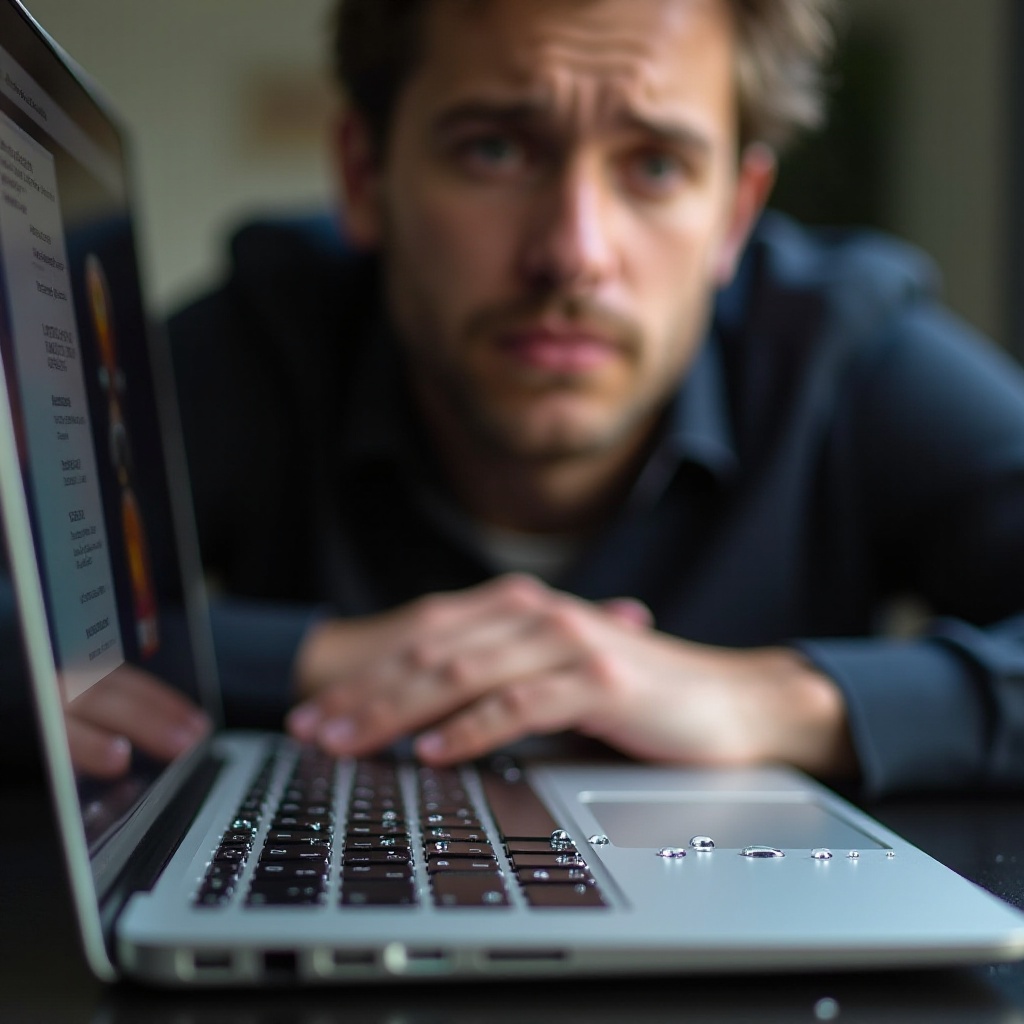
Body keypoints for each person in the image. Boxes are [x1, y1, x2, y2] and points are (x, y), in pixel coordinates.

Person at [168, 0, 1024, 798]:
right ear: (364, 175)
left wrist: (773, 702)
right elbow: (33, 610)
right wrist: (322, 661)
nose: (575, 253)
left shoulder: (839, 351)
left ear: (735, 215)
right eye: (494, 151)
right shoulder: (271, 332)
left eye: (654, 166)